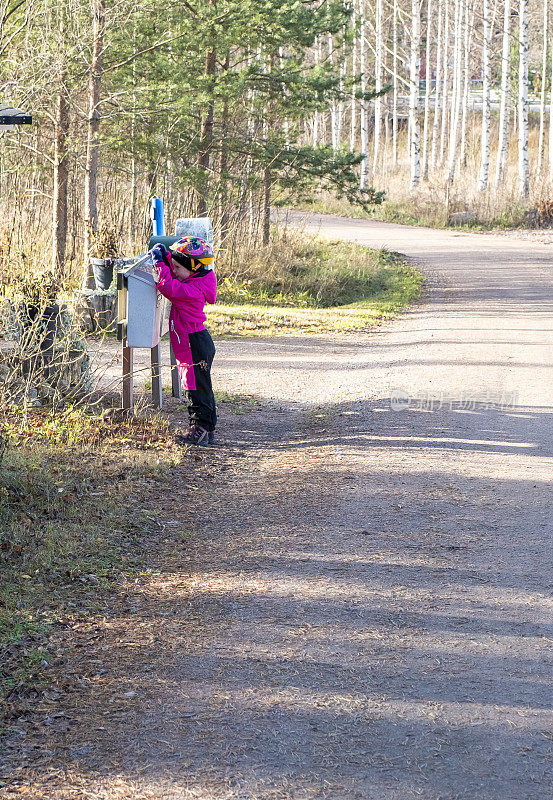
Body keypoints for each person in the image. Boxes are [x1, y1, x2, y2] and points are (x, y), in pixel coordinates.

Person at [150, 237, 217, 445]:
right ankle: (206, 429)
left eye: (177, 267)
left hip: (193, 343)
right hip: (192, 341)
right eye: (174, 266)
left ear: (193, 268)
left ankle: (201, 428)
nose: (175, 270)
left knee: (197, 388)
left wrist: (160, 263)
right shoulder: (195, 278)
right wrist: (168, 257)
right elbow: (180, 269)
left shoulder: (192, 291)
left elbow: (167, 286)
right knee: (197, 385)